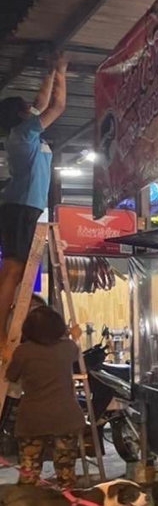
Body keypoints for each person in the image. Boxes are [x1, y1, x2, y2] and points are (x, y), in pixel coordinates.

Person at [0, 52, 68, 359]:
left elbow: (43, 101)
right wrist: (62, 73)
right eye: (28, 107)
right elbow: (57, 106)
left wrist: (51, 68)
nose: (33, 106)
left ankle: (6, 325)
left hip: (23, 206)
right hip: (23, 207)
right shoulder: (26, 132)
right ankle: (2, 332)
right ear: (22, 113)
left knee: (16, 270)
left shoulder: (22, 132)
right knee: (14, 270)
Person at [5, 305, 84, 489]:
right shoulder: (68, 347)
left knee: (29, 472)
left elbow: (11, 376)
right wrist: (72, 335)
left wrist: (9, 357)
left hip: (33, 419)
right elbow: (74, 352)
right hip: (66, 417)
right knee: (66, 473)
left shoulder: (23, 352)